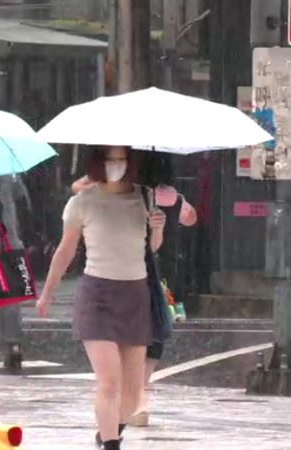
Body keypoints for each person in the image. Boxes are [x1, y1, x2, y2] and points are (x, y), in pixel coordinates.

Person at [37, 146, 167, 450]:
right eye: (110, 159)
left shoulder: (144, 197)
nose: (116, 165)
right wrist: (47, 294)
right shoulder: (82, 202)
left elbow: (153, 248)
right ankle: (111, 444)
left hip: (135, 295)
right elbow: (65, 251)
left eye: (121, 159)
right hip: (97, 296)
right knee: (109, 382)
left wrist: (158, 228)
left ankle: (108, 432)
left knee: (133, 394)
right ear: (97, 162)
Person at [70, 160, 197, 428]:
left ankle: (134, 402)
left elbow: (178, 225)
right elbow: (79, 187)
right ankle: (130, 404)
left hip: (150, 268)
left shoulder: (152, 191)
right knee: (140, 338)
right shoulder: (132, 182)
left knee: (149, 335)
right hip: (135, 269)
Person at [0, 177, 31, 373]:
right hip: (8, 242)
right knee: (8, 295)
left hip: (2, 241)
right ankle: (14, 345)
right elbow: (24, 202)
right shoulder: (7, 172)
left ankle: (13, 346)